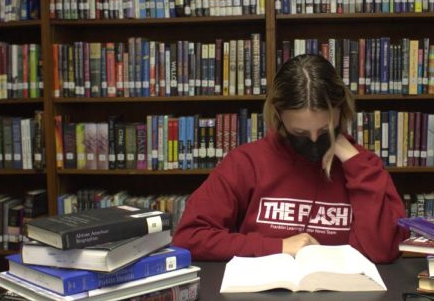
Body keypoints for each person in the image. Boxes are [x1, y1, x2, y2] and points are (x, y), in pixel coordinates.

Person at [172, 53, 406, 263]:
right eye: (300, 133)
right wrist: (279, 247)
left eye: (325, 131)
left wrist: (354, 162)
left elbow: (385, 250)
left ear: (341, 112)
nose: (314, 141)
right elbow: (190, 237)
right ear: (278, 116)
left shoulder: (364, 166)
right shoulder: (246, 163)